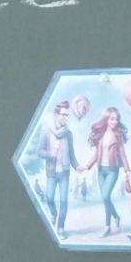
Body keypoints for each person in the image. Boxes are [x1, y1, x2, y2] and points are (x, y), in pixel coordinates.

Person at [81, 107, 131, 236]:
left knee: (105, 196)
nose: (115, 121)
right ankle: (116, 217)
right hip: (101, 170)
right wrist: (86, 166)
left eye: (116, 119)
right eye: (112, 119)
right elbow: (96, 155)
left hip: (112, 170)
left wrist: (127, 170)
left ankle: (107, 227)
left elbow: (122, 154)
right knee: (106, 198)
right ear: (106, 119)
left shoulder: (118, 136)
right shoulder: (100, 135)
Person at [35, 99, 80, 239]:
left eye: (67, 115)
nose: (66, 117)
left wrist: (77, 166)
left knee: (64, 201)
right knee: (49, 198)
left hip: (65, 173)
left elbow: (72, 154)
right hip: (52, 172)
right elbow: (39, 151)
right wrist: (51, 154)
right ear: (56, 114)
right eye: (63, 114)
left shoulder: (69, 134)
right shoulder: (47, 132)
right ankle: (53, 213)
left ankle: (61, 227)